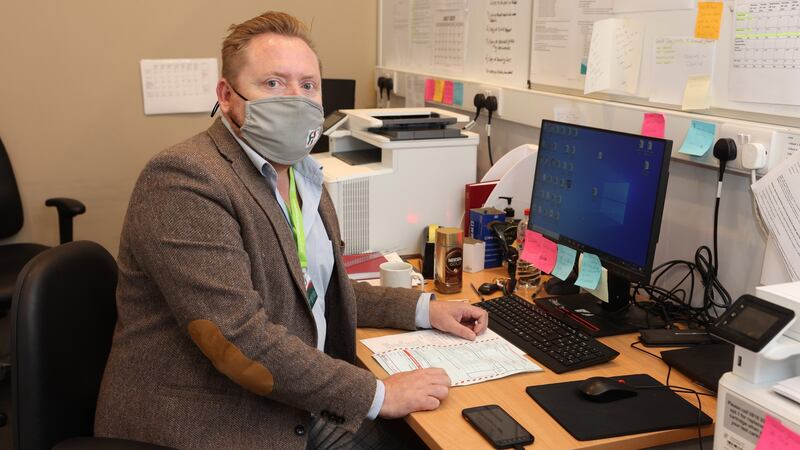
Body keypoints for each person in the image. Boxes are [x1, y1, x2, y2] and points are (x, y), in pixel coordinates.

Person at [94, 10, 488, 450]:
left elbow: (315, 289)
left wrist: (422, 310)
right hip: (215, 419)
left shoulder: (302, 174)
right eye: (274, 84)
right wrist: (379, 394)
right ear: (227, 95)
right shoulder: (185, 179)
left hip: (287, 398)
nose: (296, 99)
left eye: (308, 85)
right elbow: (238, 337)